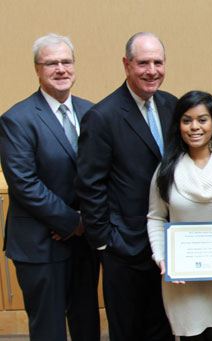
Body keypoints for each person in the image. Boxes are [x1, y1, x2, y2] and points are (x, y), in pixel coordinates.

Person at [76, 32, 177, 340]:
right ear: (126, 65)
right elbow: (90, 185)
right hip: (124, 248)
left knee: (163, 328)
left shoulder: (172, 106)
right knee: (128, 332)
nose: (152, 70)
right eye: (143, 63)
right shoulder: (102, 116)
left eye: (158, 62)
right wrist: (105, 241)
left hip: (169, 246)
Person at [0, 33, 100, 341]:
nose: (60, 69)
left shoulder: (92, 112)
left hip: (84, 244)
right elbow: (25, 183)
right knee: (49, 330)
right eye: (51, 63)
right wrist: (74, 222)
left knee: (87, 324)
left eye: (66, 62)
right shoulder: (17, 119)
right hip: (40, 245)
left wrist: (86, 223)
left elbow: (103, 173)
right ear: (37, 69)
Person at [147, 91, 212, 340]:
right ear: (178, 126)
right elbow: (156, 217)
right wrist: (162, 258)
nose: (195, 127)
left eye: (202, 120)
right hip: (182, 282)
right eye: (186, 120)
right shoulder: (166, 170)